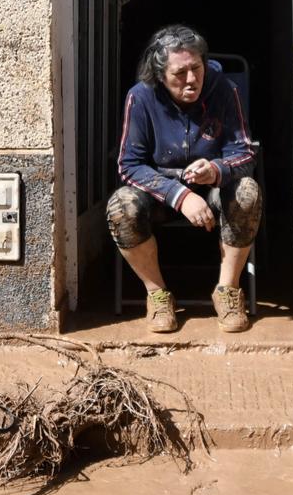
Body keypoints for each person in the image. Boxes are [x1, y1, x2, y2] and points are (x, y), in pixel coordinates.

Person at [108, 24, 262, 334]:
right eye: (180, 73)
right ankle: (158, 294)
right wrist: (180, 195)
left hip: (214, 191)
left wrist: (217, 168)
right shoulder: (141, 97)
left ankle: (227, 290)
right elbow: (129, 165)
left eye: (196, 68)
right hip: (161, 195)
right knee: (121, 206)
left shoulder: (223, 89)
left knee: (247, 192)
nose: (191, 79)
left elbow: (245, 153)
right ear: (160, 75)